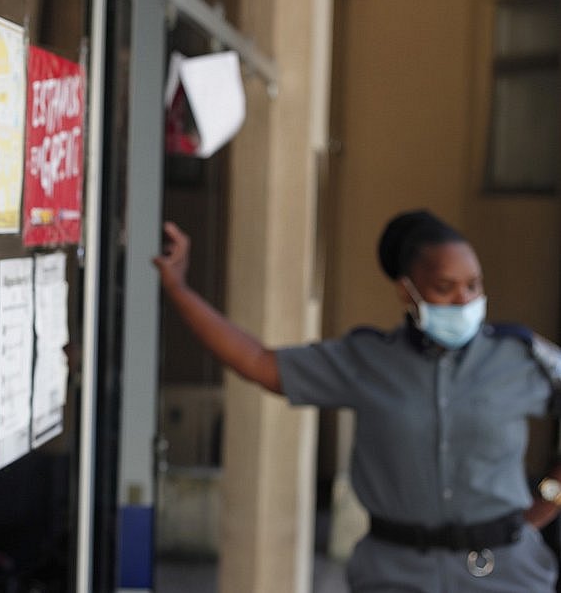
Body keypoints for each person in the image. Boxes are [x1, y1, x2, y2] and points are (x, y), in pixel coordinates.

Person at [153, 209, 561, 592]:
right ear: (407, 291)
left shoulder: (518, 356)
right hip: (395, 573)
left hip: (503, 572)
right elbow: (259, 362)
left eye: (473, 285)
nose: (463, 300)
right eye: (444, 287)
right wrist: (178, 289)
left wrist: (550, 496)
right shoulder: (366, 360)